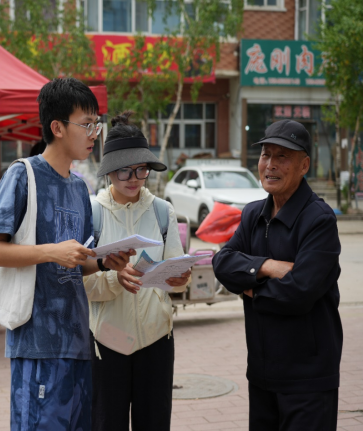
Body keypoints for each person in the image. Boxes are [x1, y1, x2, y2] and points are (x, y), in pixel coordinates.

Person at [0, 77, 132, 430]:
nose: (94, 133)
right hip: (37, 343)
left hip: (77, 343)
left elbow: (75, 261)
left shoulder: (80, 187)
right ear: (57, 127)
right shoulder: (23, 175)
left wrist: (104, 262)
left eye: (97, 124)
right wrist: (52, 251)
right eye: (86, 124)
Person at [213, 120, 343, 431]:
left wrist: (249, 288)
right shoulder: (253, 214)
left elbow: (299, 293)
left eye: (282, 156)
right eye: (265, 155)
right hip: (262, 373)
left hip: (308, 379)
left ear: (304, 165)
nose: (270, 165)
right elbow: (222, 263)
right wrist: (269, 266)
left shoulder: (319, 220)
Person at [83, 111, 191, 431]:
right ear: (108, 172)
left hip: (156, 341)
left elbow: (174, 274)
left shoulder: (162, 211)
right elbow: (81, 283)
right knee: (106, 423)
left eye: (141, 169)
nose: (134, 178)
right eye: (124, 171)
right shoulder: (92, 213)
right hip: (107, 343)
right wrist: (115, 277)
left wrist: (179, 280)